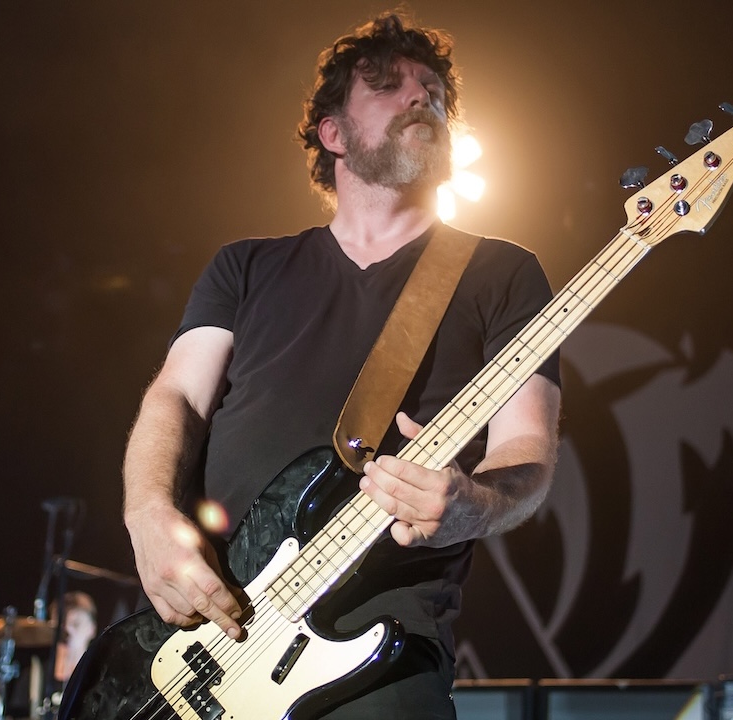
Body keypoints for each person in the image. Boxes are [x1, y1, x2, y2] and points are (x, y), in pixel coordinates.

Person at [122, 12, 562, 719]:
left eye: (433, 91)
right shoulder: (245, 266)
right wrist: (147, 514)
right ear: (333, 134)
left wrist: (471, 506)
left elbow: (527, 451)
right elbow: (176, 398)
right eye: (388, 86)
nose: (421, 98)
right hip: (209, 629)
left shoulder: (502, 273)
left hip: (381, 647)